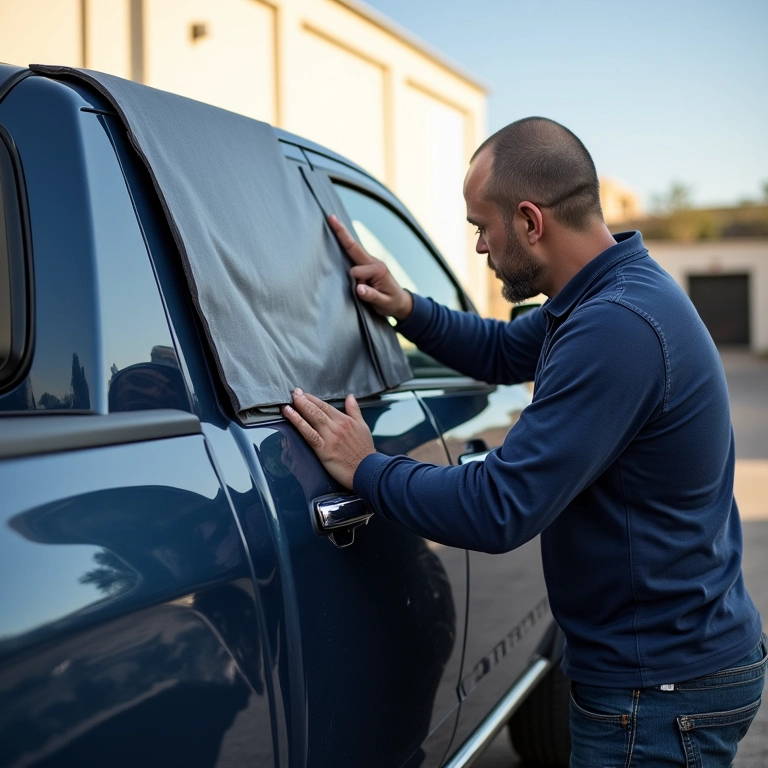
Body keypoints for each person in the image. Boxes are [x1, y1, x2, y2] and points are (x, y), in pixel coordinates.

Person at [282, 117, 765, 766]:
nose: (479, 246)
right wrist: (406, 307)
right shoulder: (604, 294)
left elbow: (498, 507)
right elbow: (502, 347)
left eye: (482, 227)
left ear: (531, 221)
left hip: (658, 693)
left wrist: (365, 467)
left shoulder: (615, 328)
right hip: (673, 665)